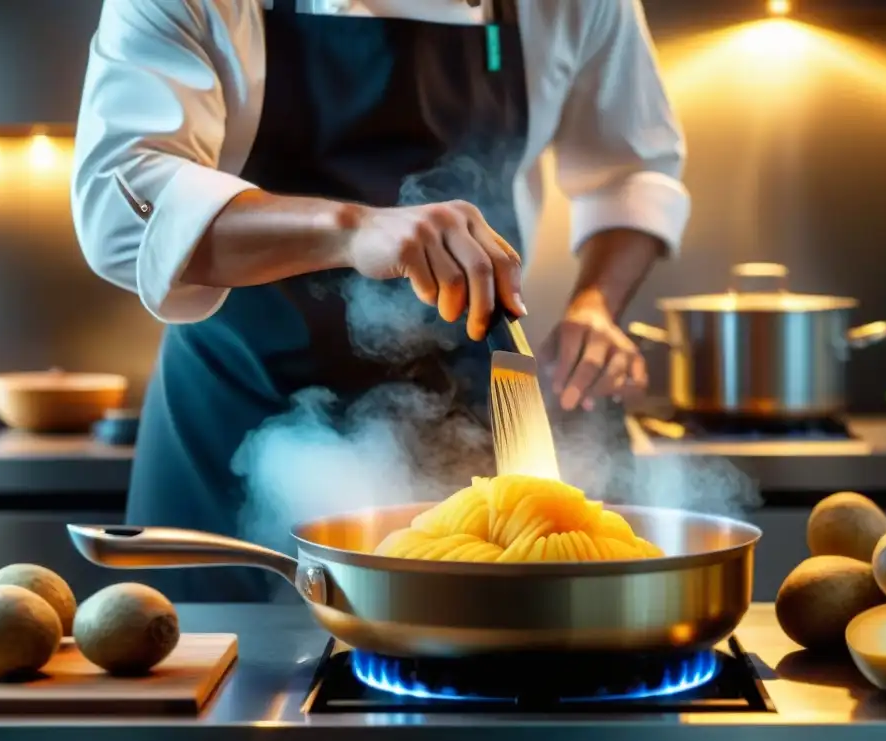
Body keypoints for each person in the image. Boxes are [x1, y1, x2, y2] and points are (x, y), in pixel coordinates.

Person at [71, 0, 690, 602]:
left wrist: (594, 306)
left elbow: (633, 173)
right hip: (232, 415)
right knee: (217, 682)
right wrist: (351, 228)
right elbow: (118, 205)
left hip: (465, 425)